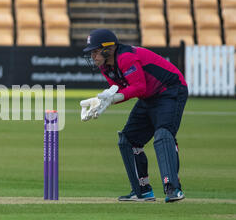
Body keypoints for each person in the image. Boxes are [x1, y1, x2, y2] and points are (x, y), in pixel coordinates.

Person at [80, 29, 188, 203]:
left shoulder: (126, 57)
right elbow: (121, 90)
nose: (92, 56)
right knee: (128, 140)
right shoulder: (105, 67)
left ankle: (173, 188)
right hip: (149, 97)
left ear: (108, 48)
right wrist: (103, 101)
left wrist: (114, 98)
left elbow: (138, 87)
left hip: (170, 90)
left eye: (95, 51)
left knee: (163, 134)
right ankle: (142, 191)